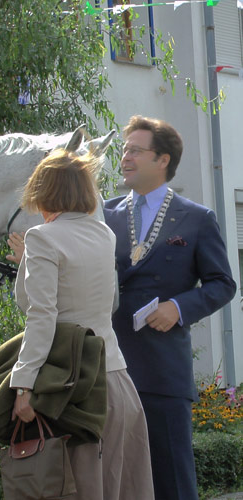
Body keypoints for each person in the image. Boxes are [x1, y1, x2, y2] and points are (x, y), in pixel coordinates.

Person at [8, 148, 154, 499]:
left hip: (73, 387)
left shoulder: (42, 237)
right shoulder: (104, 234)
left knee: (77, 488)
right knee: (119, 487)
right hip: (116, 380)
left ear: (44, 191)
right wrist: (30, 262)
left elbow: (40, 314)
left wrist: (23, 384)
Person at [104, 115, 236, 500]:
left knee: (172, 483)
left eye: (135, 150)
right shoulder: (104, 215)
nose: (125, 157)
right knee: (113, 482)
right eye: (124, 150)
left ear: (162, 159)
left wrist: (178, 307)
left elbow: (223, 284)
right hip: (108, 366)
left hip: (162, 370)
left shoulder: (196, 218)